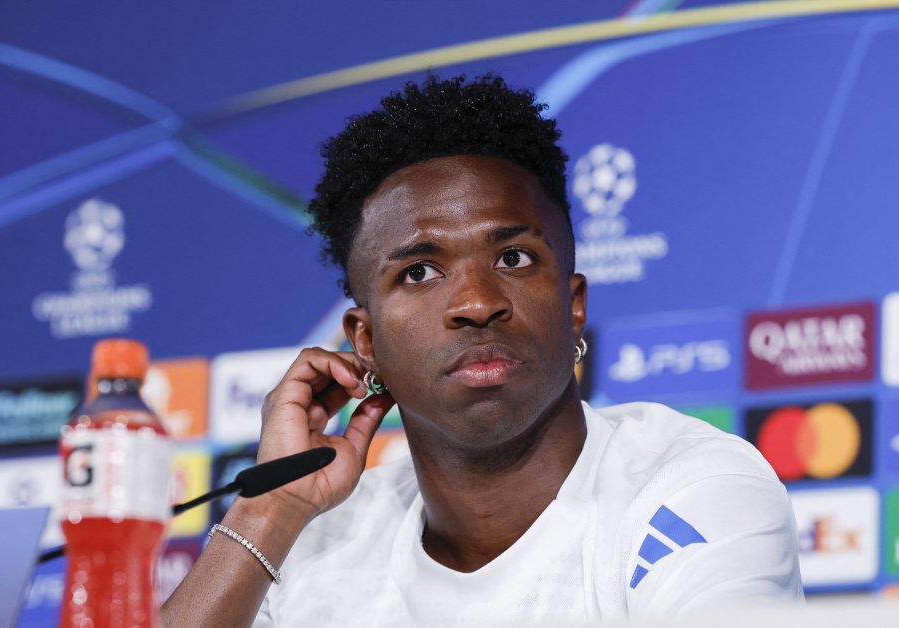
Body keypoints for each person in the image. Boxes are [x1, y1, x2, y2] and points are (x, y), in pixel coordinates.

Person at [162, 74, 802, 626]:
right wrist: (271, 508)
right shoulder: (318, 541)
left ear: (573, 304)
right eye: (419, 272)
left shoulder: (692, 488)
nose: (475, 302)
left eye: (513, 258)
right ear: (366, 342)